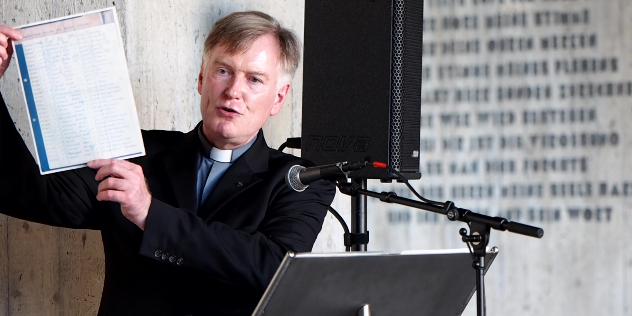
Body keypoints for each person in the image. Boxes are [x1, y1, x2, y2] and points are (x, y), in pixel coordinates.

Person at [0, 11, 335, 316]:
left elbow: (273, 269)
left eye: (254, 79)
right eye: (223, 71)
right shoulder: (136, 152)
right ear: (202, 79)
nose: (234, 90)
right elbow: (27, 194)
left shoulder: (301, 181)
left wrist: (150, 214)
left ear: (279, 97)